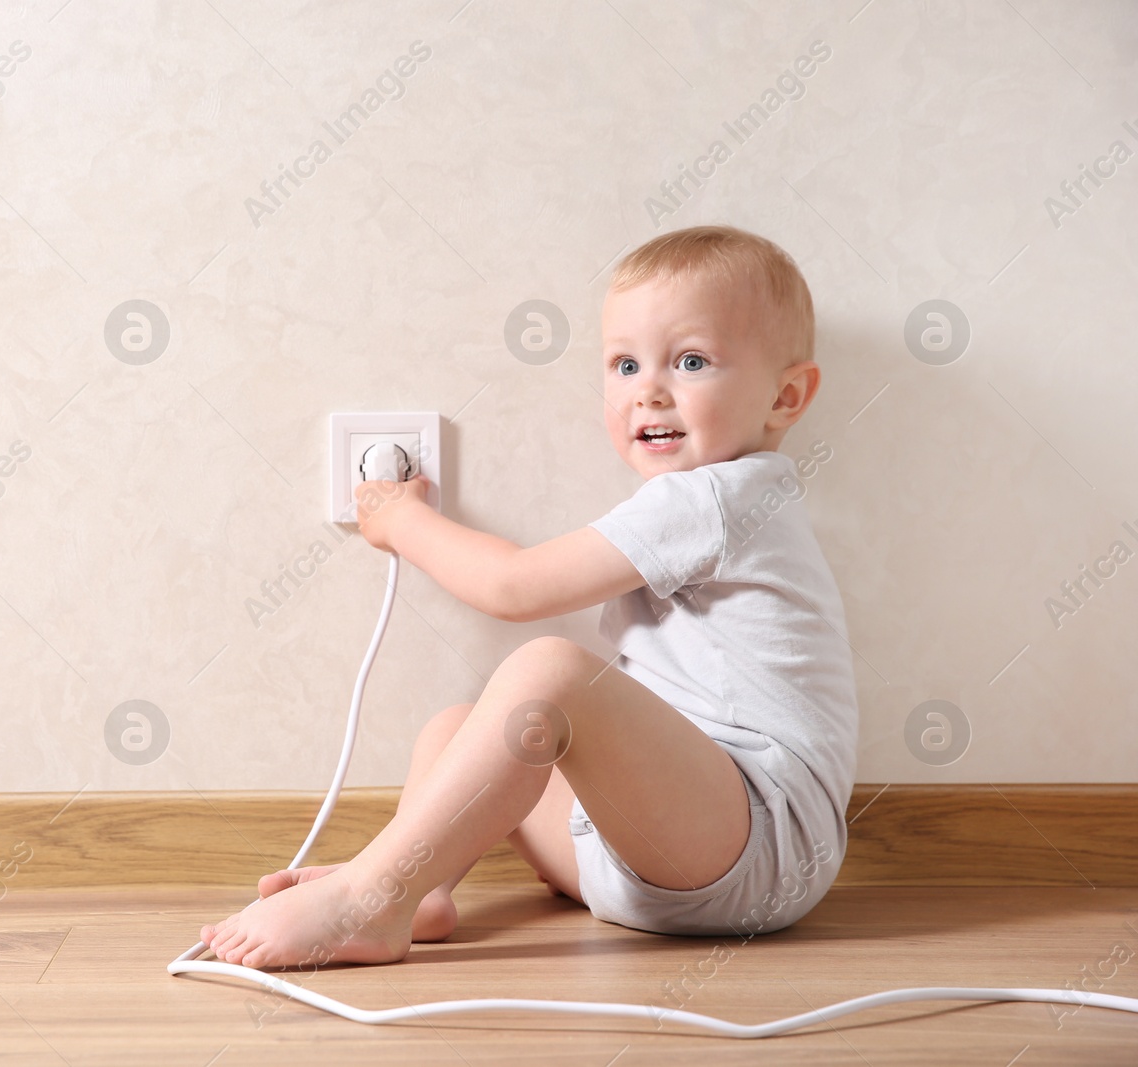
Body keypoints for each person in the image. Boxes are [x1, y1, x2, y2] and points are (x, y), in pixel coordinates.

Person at [201, 224, 858, 969]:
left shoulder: (719, 497)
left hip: (759, 850)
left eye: (692, 360)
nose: (648, 389)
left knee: (550, 671)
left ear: (786, 395)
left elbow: (514, 587)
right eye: (625, 363)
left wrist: (400, 519)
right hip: (660, 860)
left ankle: (372, 898)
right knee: (460, 728)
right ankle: (422, 888)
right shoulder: (702, 503)